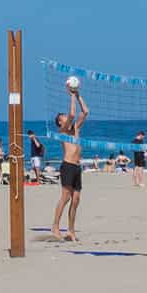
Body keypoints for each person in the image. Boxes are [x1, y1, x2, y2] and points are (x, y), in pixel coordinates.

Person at [48, 85, 90, 242]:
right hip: (67, 166)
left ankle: (71, 231)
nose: (66, 116)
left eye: (65, 116)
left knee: (76, 200)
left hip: (77, 167)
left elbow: (85, 112)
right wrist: (71, 95)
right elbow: (72, 114)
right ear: (60, 122)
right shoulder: (63, 131)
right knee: (65, 198)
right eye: (63, 116)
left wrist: (78, 95)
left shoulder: (76, 128)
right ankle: (55, 226)